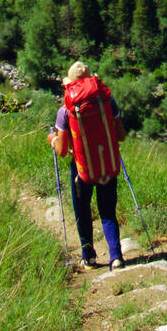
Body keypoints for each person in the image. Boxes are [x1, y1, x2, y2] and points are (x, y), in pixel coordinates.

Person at [50, 61, 127, 271]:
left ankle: (89, 256)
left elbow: (62, 150)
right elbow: (121, 136)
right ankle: (116, 257)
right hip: (107, 164)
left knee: (82, 211)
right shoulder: (108, 102)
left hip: (82, 168)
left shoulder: (65, 111)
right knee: (108, 211)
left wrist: (52, 139)